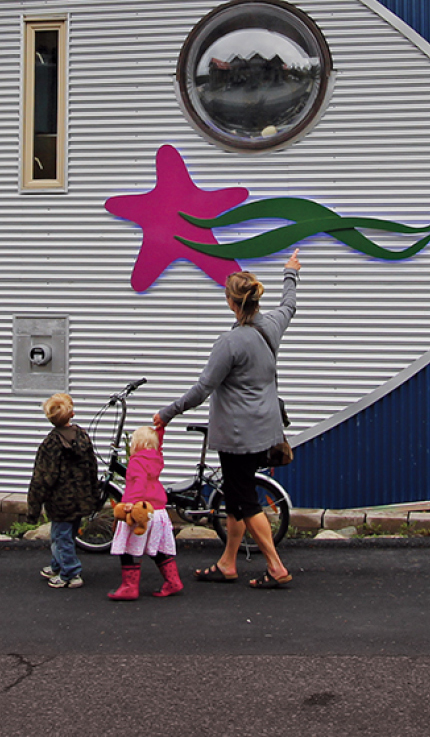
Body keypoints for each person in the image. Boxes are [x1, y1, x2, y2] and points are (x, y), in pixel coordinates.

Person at [156, 248, 300, 589]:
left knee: (246, 501)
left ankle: (276, 566)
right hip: (265, 429)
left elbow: (203, 387)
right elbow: (290, 305)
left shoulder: (230, 342)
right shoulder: (272, 325)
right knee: (235, 500)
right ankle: (228, 563)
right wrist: (290, 272)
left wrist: (167, 412)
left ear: (232, 303)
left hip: (237, 435)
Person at [28, 391, 98, 589]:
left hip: (60, 502)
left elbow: (42, 478)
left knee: (61, 536)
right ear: (72, 414)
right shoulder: (83, 437)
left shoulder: (50, 444)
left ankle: (70, 573)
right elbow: (92, 467)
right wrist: (93, 495)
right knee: (66, 534)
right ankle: (57, 564)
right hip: (81, 498)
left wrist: (33, 509)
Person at [106, 423, 182, 601]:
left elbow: (138, 483)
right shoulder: (156, 458)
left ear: (137, 445)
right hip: (158, 512)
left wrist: (130, 503)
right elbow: (159, 444)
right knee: (159, 549)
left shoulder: (136, 461)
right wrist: (161, 427)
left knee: (129, 549)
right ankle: (173, 580)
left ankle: (129, 586)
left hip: (140, 510)